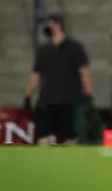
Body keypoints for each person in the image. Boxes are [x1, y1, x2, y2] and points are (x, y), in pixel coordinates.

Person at [24, 13, 93, 145]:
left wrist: (88, 93)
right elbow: (36, 74)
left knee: (71, 136)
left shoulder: (74, 47)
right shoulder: (44, 50)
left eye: (48, 23)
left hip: (68, 99)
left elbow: (84, 71)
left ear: (57, 25)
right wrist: (28, 94)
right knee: (43, 135)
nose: (46, 27)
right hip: (46, 99)